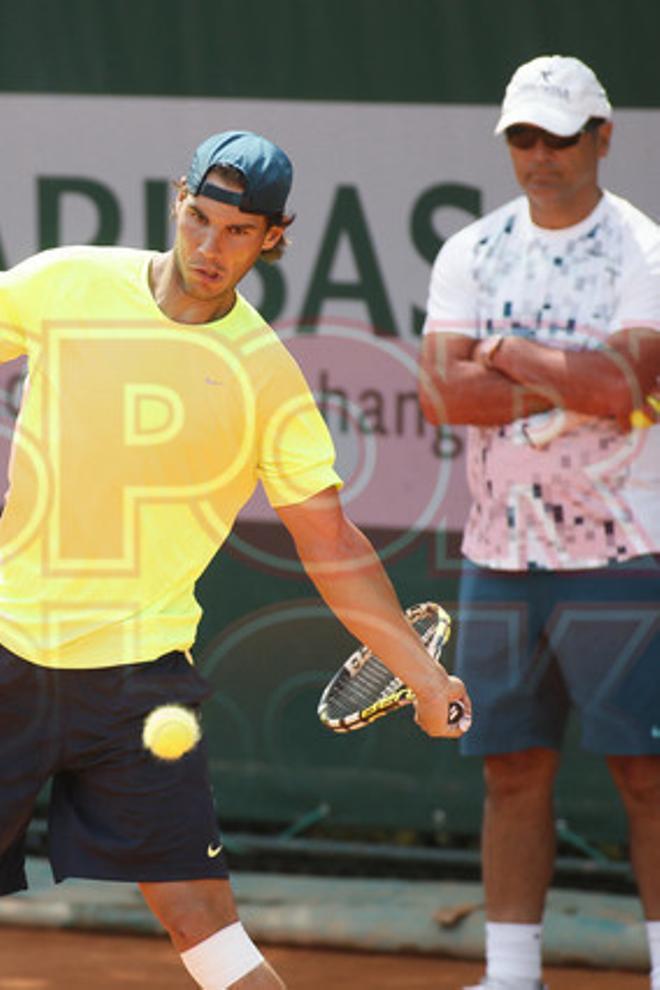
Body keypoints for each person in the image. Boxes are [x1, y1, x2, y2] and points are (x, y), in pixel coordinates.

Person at [0, 130, 471, 990]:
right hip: (7, 652)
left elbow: (331, 544)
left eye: (237, 232)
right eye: (200, 219)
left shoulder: (265, 378)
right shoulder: (67, 281)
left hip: (135, 686)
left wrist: (426, 679)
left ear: (273, 237)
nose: (210, 248)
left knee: (208, 932)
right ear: (178, 202)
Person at [418, 56, 660, 990]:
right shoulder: (470, 252)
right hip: (499, 557)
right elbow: (442, 394)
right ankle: (511, 975)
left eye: (561, 136)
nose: (541, 155)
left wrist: (508, 350)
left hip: (624, 554)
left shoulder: (642, 250)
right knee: (510, 771)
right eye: (524, 136)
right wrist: (574, 375)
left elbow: (623, 384)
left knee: (646, 777)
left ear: (602, 137)